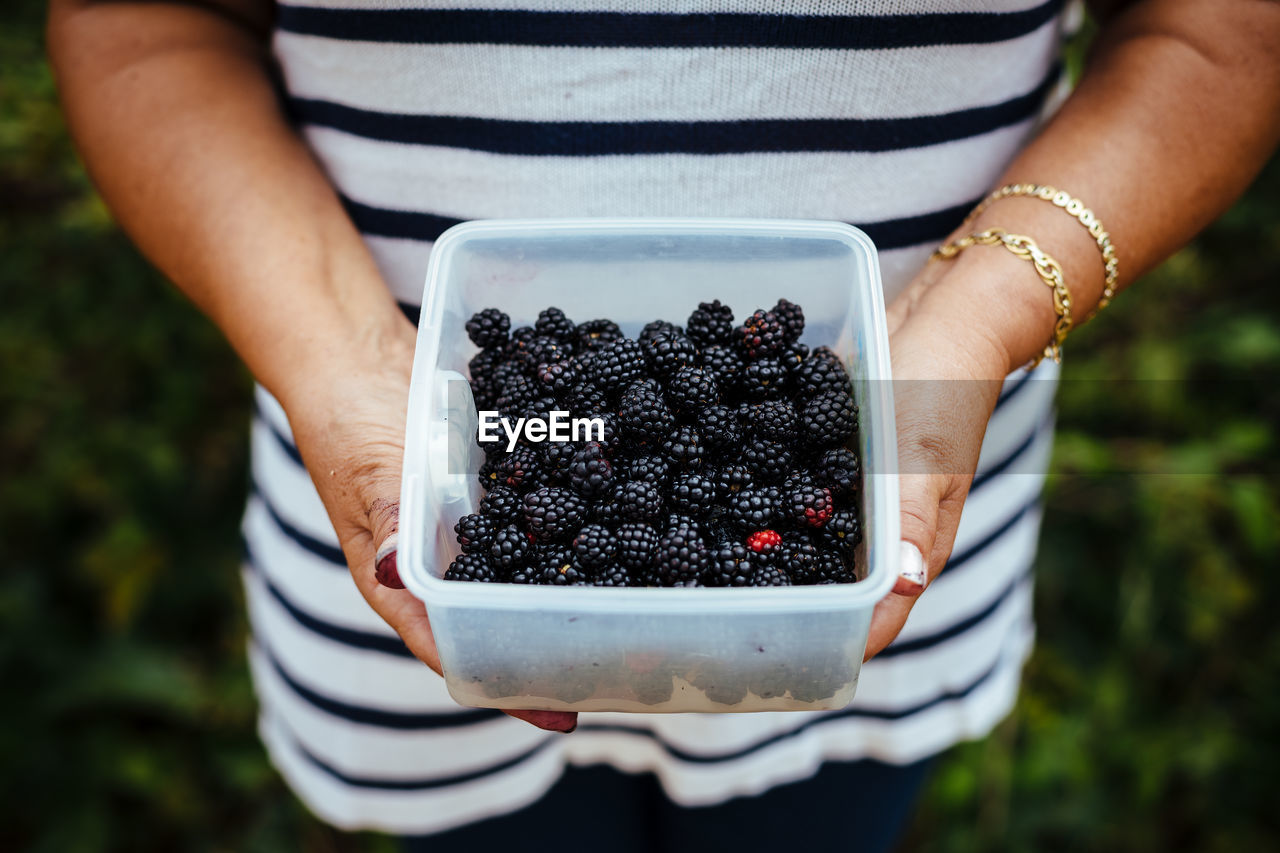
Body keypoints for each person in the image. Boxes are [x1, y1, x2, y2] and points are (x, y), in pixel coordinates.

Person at [47, 0, 1280, 849]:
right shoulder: (560, 450)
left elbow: (1218, 32)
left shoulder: (757, 477)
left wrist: (984, 310)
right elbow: (145, 23)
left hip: (876, 551)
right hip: (424, 532)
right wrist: (341, 368)